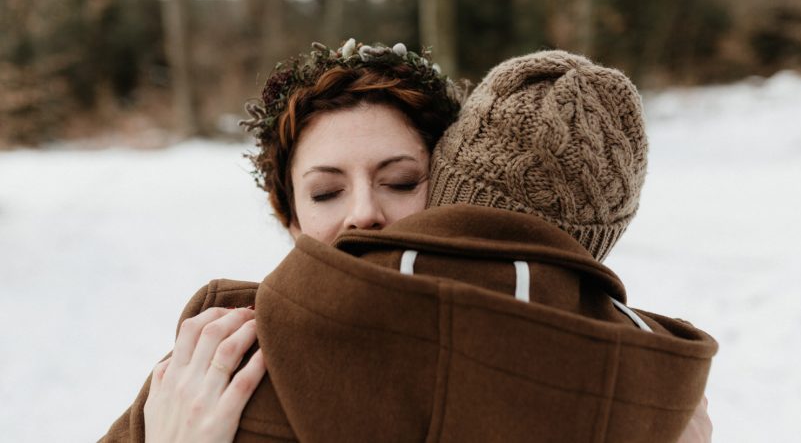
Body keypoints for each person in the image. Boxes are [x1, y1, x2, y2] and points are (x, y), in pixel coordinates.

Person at [101, 43, 716, 442]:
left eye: (399, 181)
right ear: (288, 216)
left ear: (451, 188)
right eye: (325, 193)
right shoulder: (217, 354)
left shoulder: (604, 360)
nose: (365, 214)